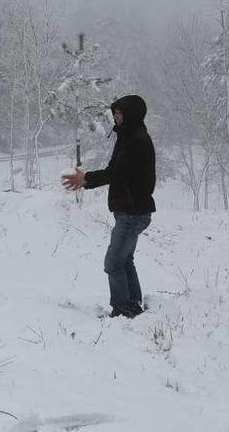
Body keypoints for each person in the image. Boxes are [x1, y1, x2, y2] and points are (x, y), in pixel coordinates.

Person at [61, 95, 156, 318]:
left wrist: (86, 179)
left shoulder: (136, 140)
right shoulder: (129, 137)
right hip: (131, 211)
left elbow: (117, 172)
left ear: (130, 114)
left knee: (113, 262)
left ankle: (122, 311)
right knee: (125, 260)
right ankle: (132, 305)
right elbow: (118, 171)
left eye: (119, 113)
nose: (115, 116)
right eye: (114, 112)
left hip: (133, 212)